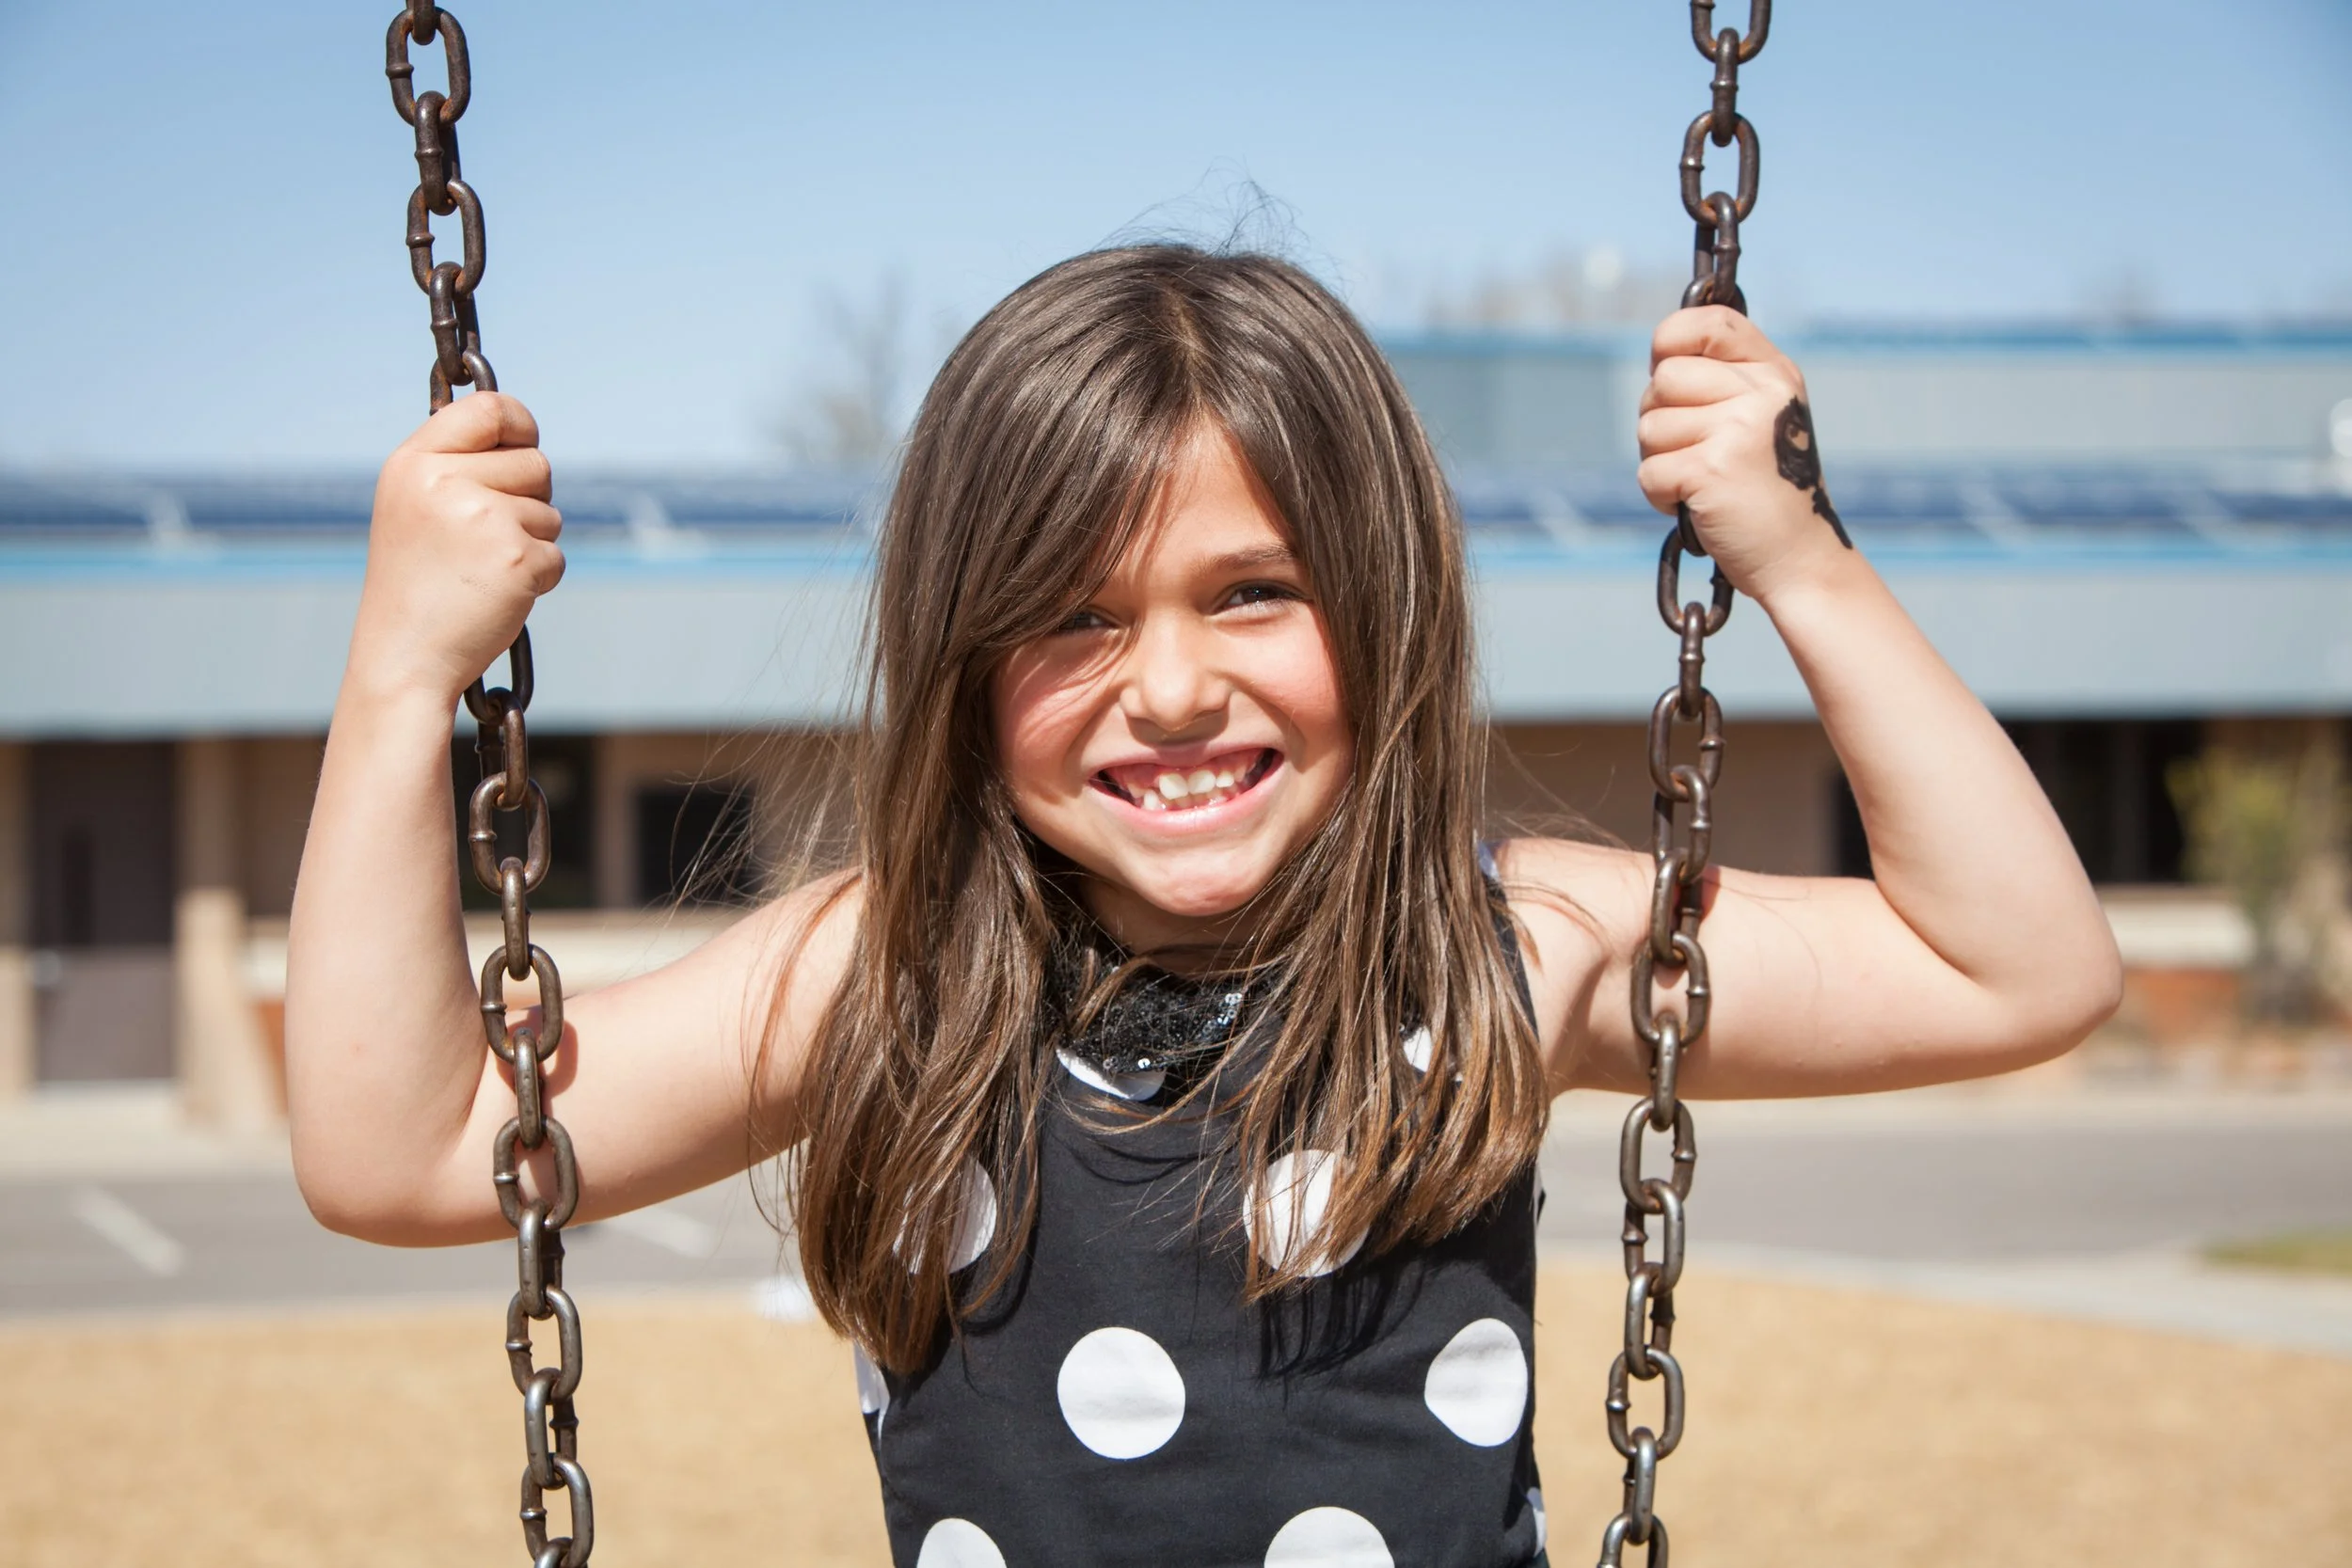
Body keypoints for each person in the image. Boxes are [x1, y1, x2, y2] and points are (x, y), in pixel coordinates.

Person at [285, 245, 2121, 1568]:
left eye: (1249, 590)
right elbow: (413, 1147)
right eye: (1074, 617)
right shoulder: (884, 974)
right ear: (960, 656)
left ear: (1382, 600)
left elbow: (2012, 962)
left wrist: (1792, 551)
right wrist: (395, 680)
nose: (1165, 685)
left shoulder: (1495, 948)